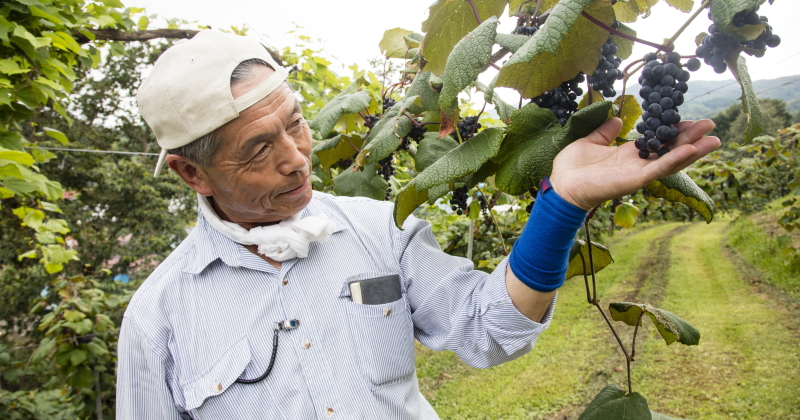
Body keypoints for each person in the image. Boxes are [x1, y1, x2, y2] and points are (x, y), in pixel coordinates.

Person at [116, 30, 720, 419]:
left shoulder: (379, 232)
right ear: (191, 174)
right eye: (257, 148)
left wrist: (561, 205)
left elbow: (490, 330)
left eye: (295, 124)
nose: (297, 157)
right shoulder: (158, 320)